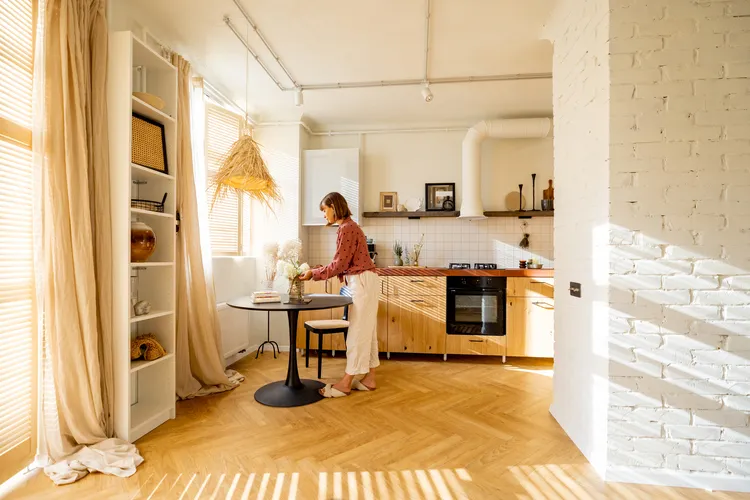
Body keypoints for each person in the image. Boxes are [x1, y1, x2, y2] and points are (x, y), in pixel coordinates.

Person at [298, 192, 379, 398]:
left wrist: (314, 274)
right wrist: (320, 270)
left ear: (334, 207)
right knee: (367, 332)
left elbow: (340, 264)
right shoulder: (350, 227)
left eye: (324, 210)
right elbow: (342, 263)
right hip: (364, 280)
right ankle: (369, 378)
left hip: (361, 281)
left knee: (358, 333)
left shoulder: (347, 228)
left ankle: (346, 382)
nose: (324, 215)